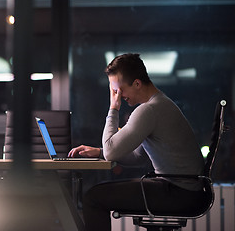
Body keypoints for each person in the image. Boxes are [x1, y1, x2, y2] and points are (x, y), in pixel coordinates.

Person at [68, 53, 207, 231]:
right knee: (97, 194)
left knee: (93, 198)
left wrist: (113, 109)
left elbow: (112, 151)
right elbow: (138, 157)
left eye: (119, 90)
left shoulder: (149, 110)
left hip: (178, 192)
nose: (118, 96)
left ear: (137, 83)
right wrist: (100, 152)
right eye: (115, 92)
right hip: (184, 190)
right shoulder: (159, 104)